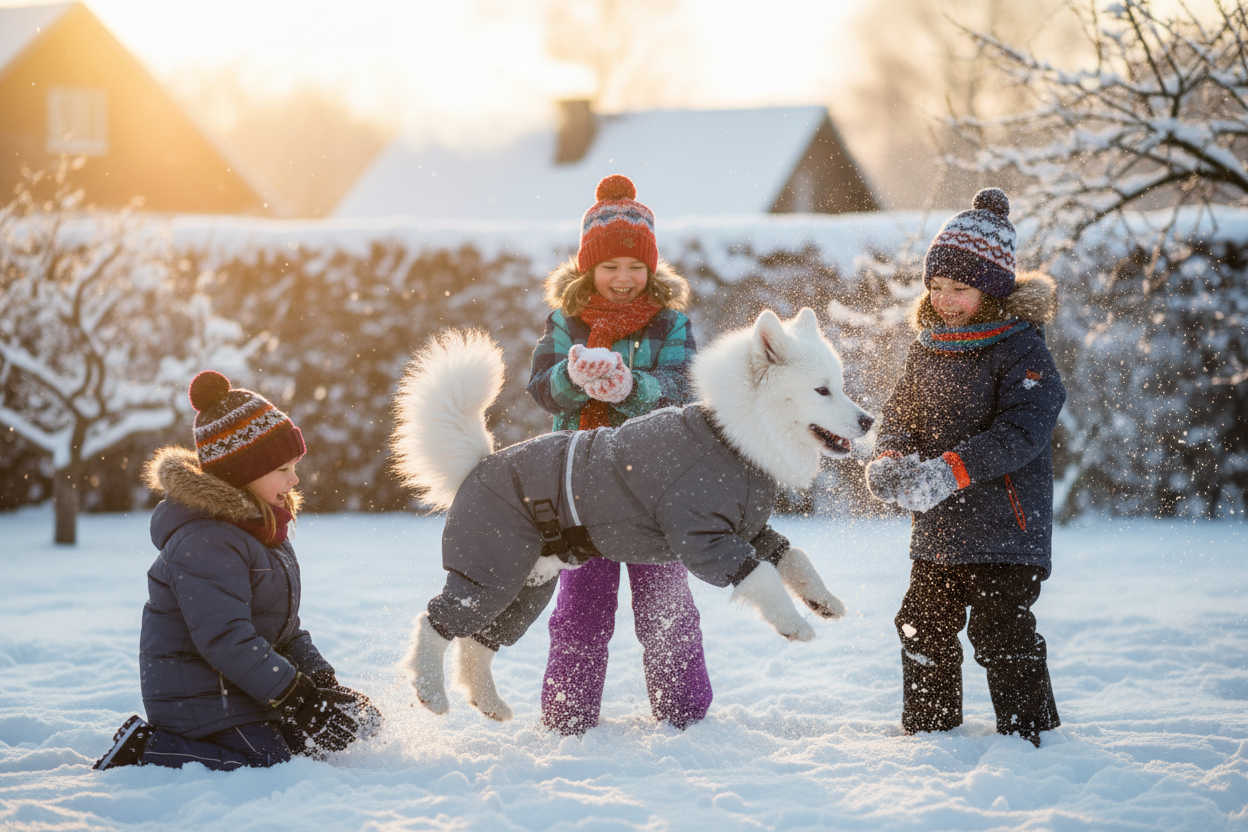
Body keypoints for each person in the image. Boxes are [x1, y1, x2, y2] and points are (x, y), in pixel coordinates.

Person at [93, 371, 380, 771]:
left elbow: (284, 629)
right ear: (243, 473)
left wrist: (321, 685)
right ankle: (147, 750)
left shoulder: (261, 531)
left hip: (242, 688)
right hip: (198, 698)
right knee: (269, 762)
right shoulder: (206, 539)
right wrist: (299, 698)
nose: (294, 479)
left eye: (294, 466)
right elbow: (226, 639)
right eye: (282, 469)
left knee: (323, 741)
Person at [865, 187, 1065, 747]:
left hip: (1007, 529)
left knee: (1001, 633)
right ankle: (932, 734)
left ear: (994, 290)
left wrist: (950, 469)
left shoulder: (1023, 349)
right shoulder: (929, 345)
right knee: (922, 625)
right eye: (936, 287)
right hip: (939, 531)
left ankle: (1031, 737)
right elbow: (901, 414)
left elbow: (1022, 431)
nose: (945, 300)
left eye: (960, 288)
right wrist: (891, 457)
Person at [525, 174, 712, 735]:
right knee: (581, 605)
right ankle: (568, 713)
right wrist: (574, 376)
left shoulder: (672, 323)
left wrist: (635, 388)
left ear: (652, 269)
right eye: (610, 267)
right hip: (581, 487)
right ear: (588, 270)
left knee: (665, 605)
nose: (624, 279)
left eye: (636, 267)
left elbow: (685, 392)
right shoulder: (565, 322)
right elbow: (540, 388)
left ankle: (684, 711)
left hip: (656, 487)